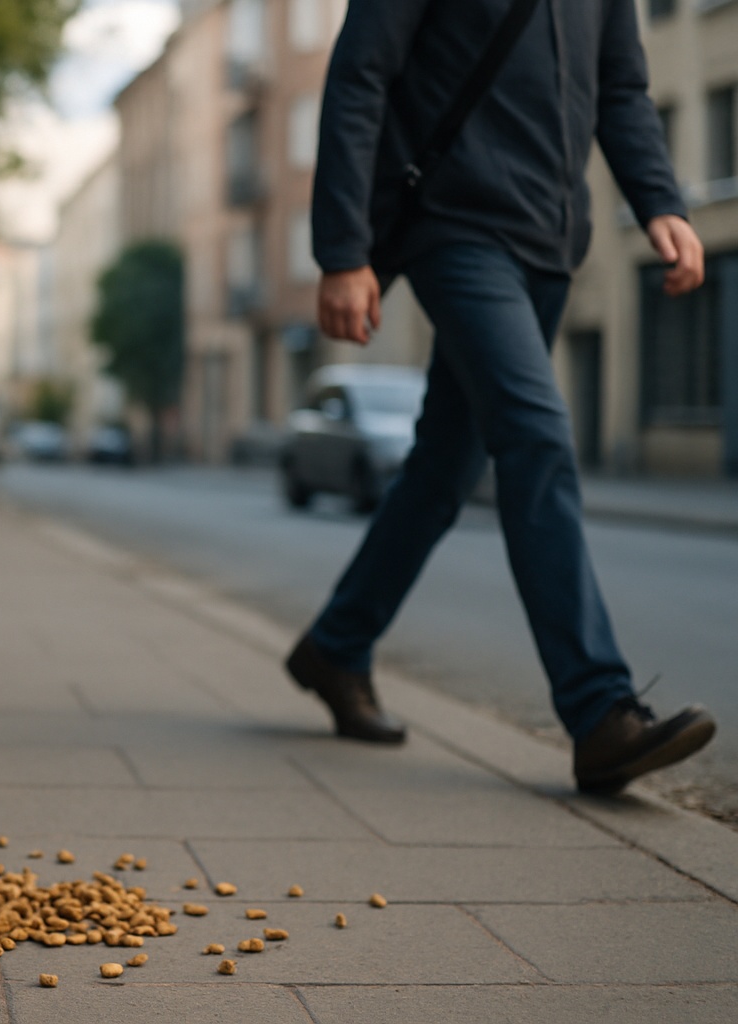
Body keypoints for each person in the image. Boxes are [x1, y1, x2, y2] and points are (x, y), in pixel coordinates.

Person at [292, 0, 716, 794]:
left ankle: (336, 646)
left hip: (552, 244)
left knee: (444, 471)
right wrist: (343, 248)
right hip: (454, 228)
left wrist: (660, 200)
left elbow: (621, 88)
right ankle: (599, 711)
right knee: (537, 436)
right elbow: (360, 77)